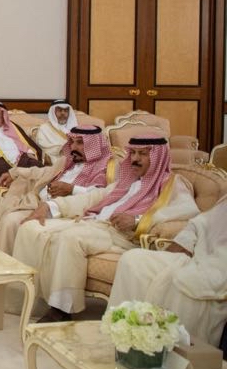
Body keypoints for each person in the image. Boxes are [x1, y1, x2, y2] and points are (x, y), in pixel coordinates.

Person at [13, 133, 199, 320]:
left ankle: (61, 309)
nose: (135, 159)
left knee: (71, 239)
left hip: (120, 235)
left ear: (158, 156)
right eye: (133, 153)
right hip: (95, 224)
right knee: (32, 228)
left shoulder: (172, 184)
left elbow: (186, 213)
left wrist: (137, 221)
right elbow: (93, 198)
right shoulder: (128, 180)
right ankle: (32, 298)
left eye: (142, 154)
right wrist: (50, 206)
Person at [0, 126, 113, 254]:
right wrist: (15, 172)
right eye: (72, 142)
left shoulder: (105, 168)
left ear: (94, 145)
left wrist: (72, 189)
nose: (73, 147)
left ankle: (4, 268)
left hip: (58, 210)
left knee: (10, 222)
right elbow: (44, 172)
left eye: (80, 143)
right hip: (33, 200)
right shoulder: (68, 161)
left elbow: (99, 195)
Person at [109, 196, 227, 347]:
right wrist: (184, 242)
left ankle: (168, 350)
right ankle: (121, 338)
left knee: (186, 282)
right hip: (195, 257)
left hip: (219, 270)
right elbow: (199, 223)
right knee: (132, 260)